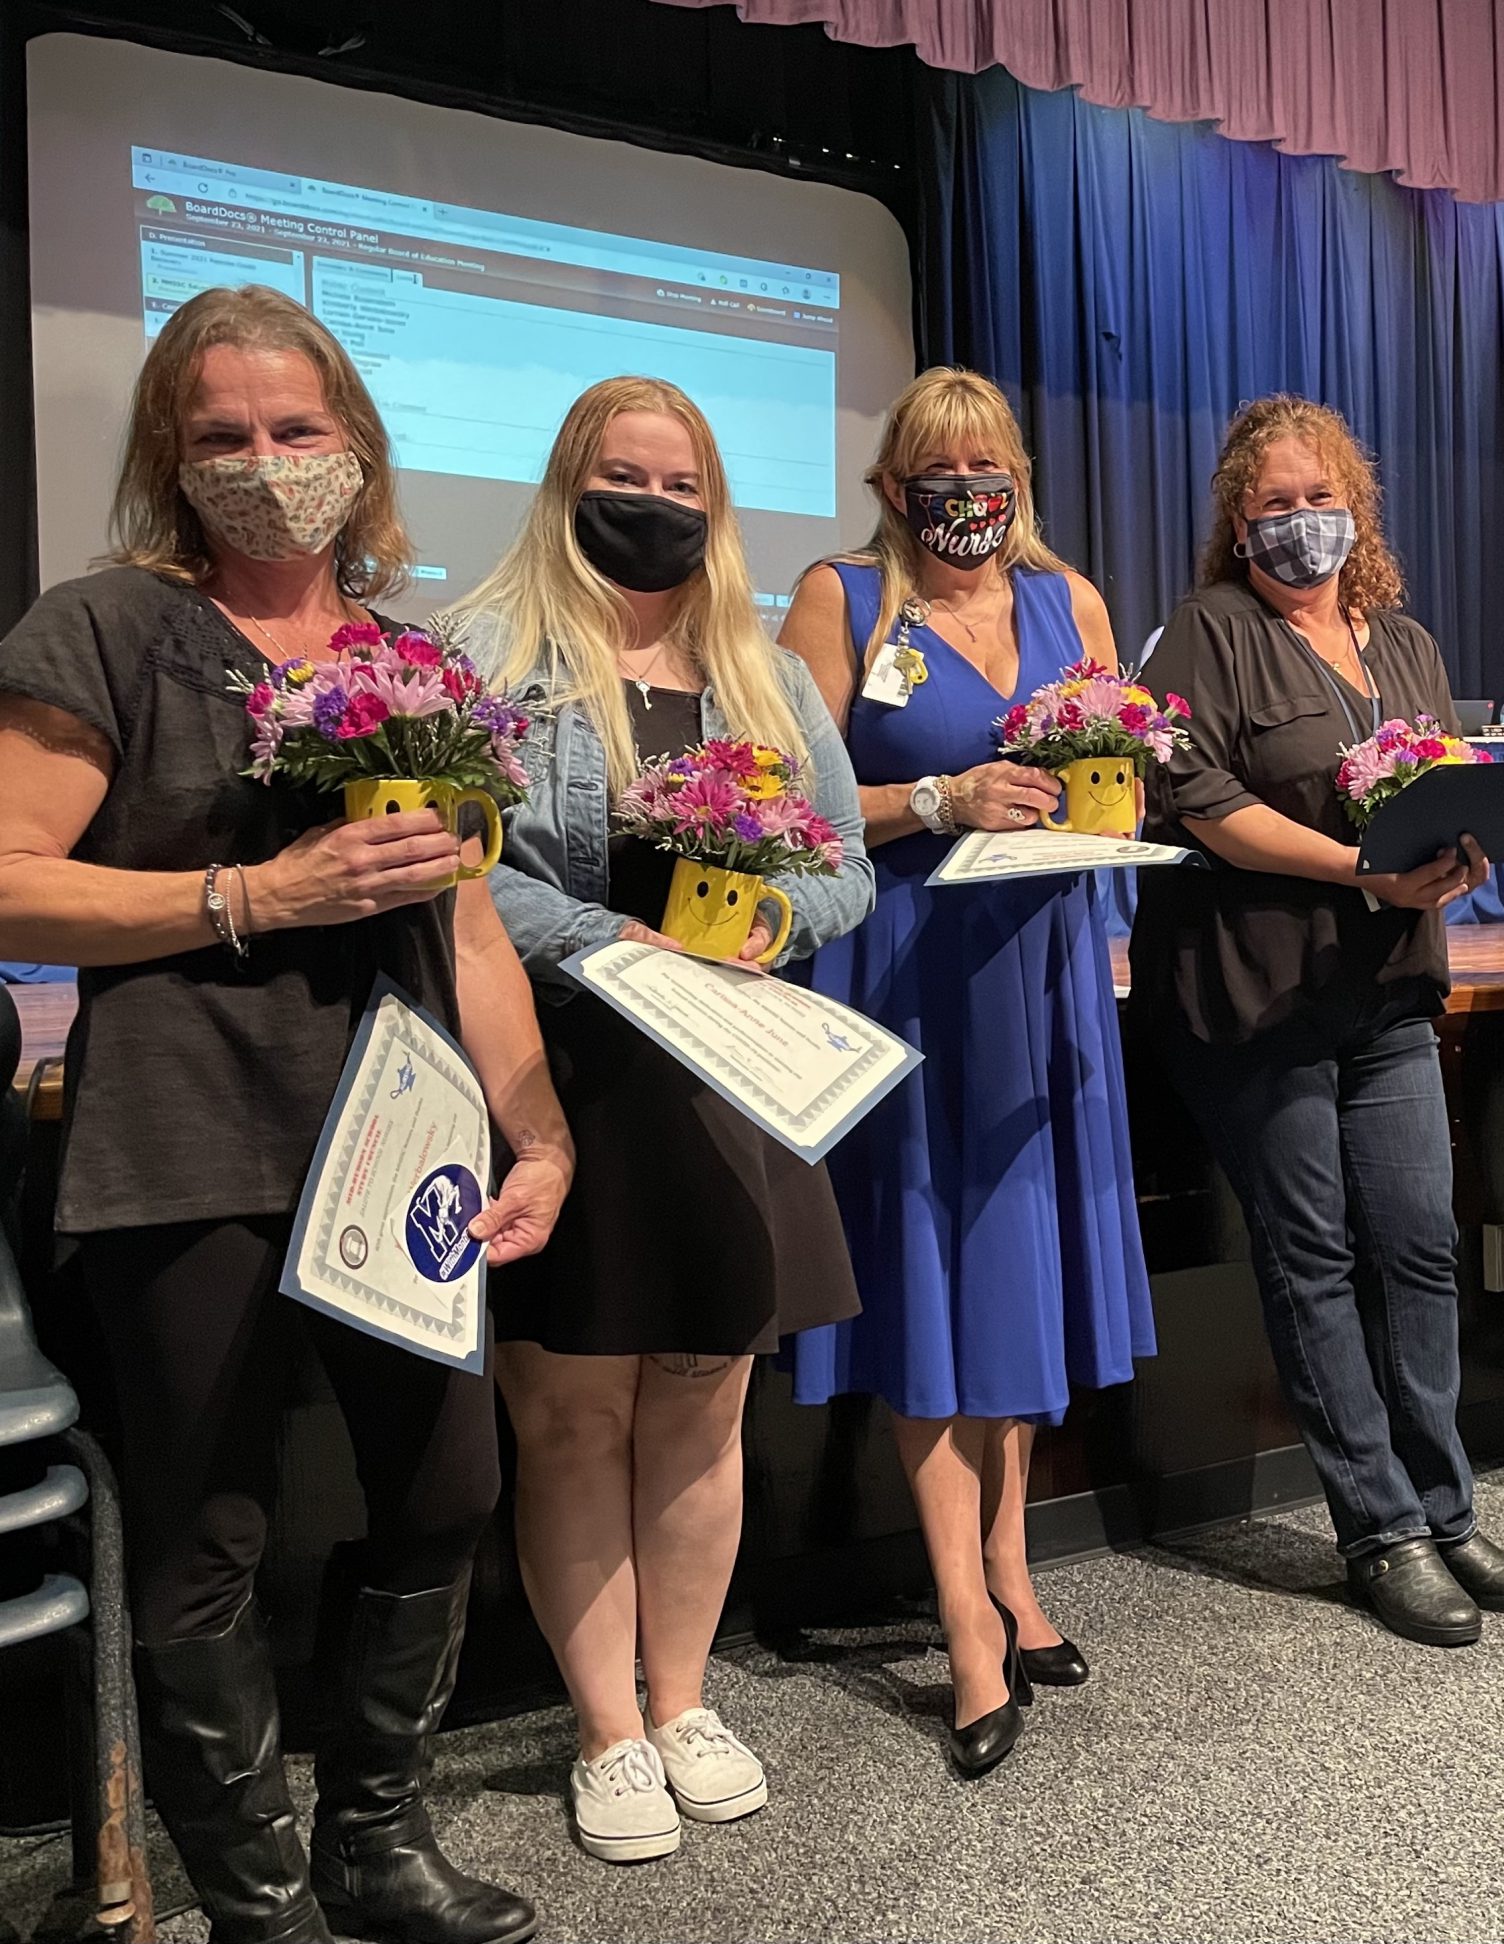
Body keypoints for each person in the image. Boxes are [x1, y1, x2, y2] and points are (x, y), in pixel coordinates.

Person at [0, 286, 571, 1944]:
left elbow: (467, 922)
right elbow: (11, 883)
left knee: (449, 1482)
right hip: (185, 1130)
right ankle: (254, 1898)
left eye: (297, 429)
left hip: (401, 1134)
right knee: (208, 1524)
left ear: (358, 446)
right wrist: (255, 888)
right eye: (222, 436)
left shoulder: (415, 660)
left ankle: (374, 1847)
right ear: (173, 461)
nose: (265, 463)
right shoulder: (100, 626)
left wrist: (533, 1130)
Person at [451, 376, 872, 1858]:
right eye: (626, 477)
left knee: (704, 1403)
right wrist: (605, 943)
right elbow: (456, 868)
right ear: (572, 485)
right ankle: (607, 1731)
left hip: (730, 1084)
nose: (656, 505)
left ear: (714, 504)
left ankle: (683, 1698)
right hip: (561, 1082)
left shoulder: (770, 676)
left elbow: (848, 877)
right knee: (571, 1418)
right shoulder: (490, 658)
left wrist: (766, 918)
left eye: (682, 484)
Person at [774, 368, 1153, 1777]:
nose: (966, 485)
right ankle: (963, 1625)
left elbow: (1117, 773)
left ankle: (1013, 1564)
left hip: (1043, 981)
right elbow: (790, 804)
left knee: (1015, 1293)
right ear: (891, 485)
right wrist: (935, 799)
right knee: (936, 1299)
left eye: (987, 461)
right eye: (937, 464)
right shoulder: (842, 599)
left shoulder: (1076, 602)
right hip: (907, 977)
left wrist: (1117, 880)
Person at [1130, 394, 1504, 1646]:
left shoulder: (1405, 644)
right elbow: (1194, 796)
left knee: (1422, 1246)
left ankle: (1448, 1509)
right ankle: (1379, 1529)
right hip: (1258, 994)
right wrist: (1354, 869)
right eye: (1274, 505)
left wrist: (1461, 853)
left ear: (1355, 506)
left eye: (1321, 499)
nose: (1301, 523)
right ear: (1236, 521)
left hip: (1389, 990)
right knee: (1313, 1261)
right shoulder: (1209, 630)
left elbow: (1433, 791)